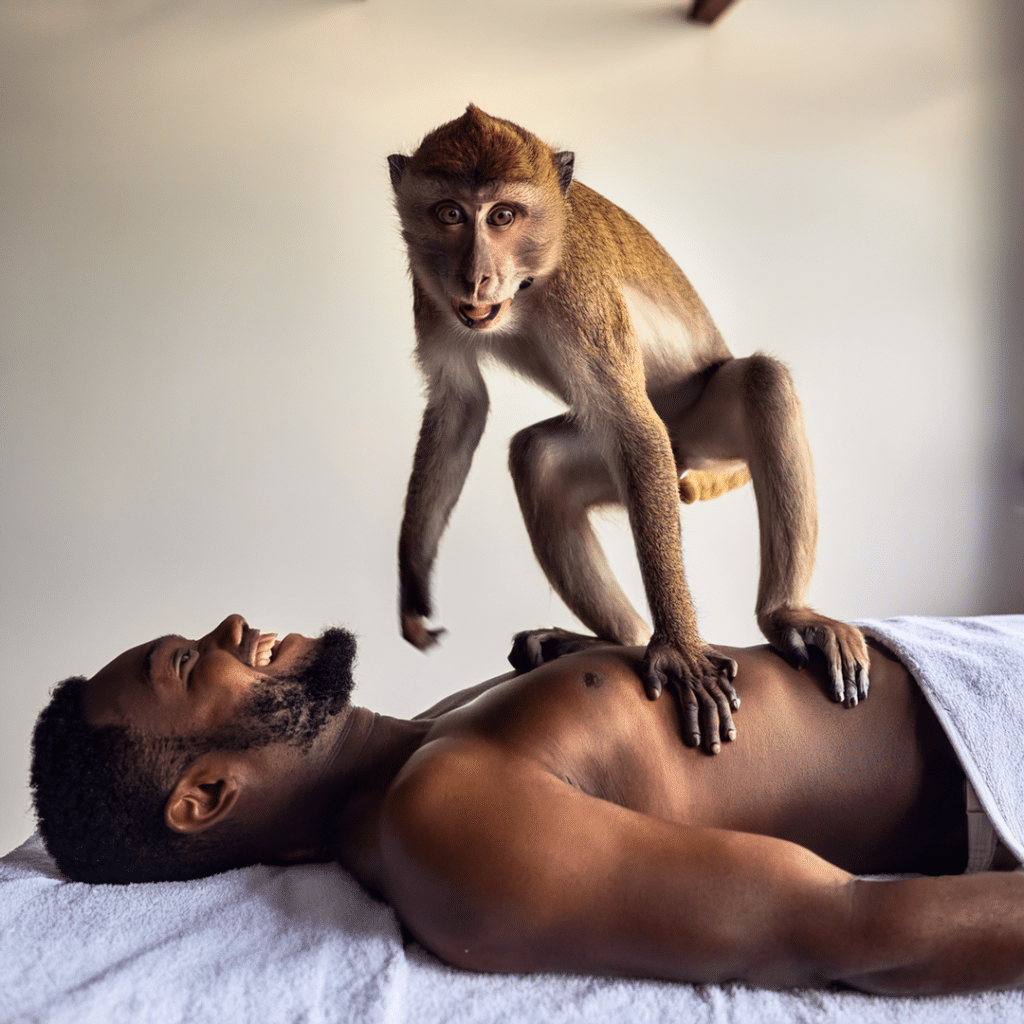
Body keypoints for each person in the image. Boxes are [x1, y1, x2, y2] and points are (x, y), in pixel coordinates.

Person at [30, 613, 1024, 995]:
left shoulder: (422, 749)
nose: (231, 624)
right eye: (187, 663)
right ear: (207, 794)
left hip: (963, 665)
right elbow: (841, 929)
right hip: (991, 758)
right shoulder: (445, 823)